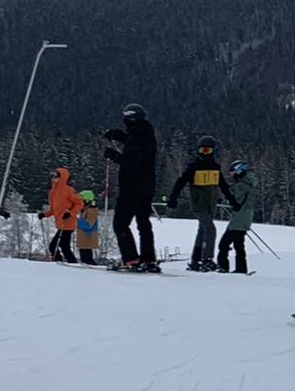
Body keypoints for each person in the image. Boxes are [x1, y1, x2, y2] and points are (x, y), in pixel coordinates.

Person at [103, 104, 160, 271]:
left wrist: (113, 155)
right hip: (148, 185)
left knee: (120, 224)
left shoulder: (136, 135)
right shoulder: (147, 133)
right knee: (143, 223)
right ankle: (148, 259)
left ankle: (131, 259)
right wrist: (120, 136)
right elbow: (137, 147)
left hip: (131, 186)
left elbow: (132, 161)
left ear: (131, 117)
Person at [166, 135, 225, 272]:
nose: (205, 153)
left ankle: (195, 260)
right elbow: (181, 181)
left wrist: (232, 200)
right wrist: (173, 198)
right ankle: (207, 259)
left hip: (211, 204)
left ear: (213, 151)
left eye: (208, 150)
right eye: (202, 150)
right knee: (210, 229)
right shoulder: (194, 167)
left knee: (202, 230)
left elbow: (223, 185)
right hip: (198, 205)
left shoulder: (215, 167)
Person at [217, 160, 258, 274]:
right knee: (239, 245)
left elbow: (236, 203)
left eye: (232, 172)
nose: (230, 174)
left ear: (238, 171)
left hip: (239, 220)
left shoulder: (241, 186)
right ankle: (241, 268)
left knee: (223, 244)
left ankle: (223, 267)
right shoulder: (247, 184)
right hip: (245, 219)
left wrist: (226, 196)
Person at [43, 166, 83, 263]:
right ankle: (71, 262)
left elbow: (79, 203)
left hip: (68, 222)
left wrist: (70, 213)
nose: (54, 179)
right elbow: (53, 209)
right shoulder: (52, 192)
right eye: (52, 176)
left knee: (53, 246)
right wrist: (44, 214)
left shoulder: (69, 190)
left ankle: (58, 261)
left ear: (62, 177)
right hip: (60, 223)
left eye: (56, 176)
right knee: (64, 246)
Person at [75, 189, 102, 266]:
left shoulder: (90, 211)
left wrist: (78, 221)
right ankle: (89, 265)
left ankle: (91, 266)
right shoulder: (85, 210)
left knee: (86, 257)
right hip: (85, 238)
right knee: (85, 255)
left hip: (87, 237)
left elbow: (89, 224)